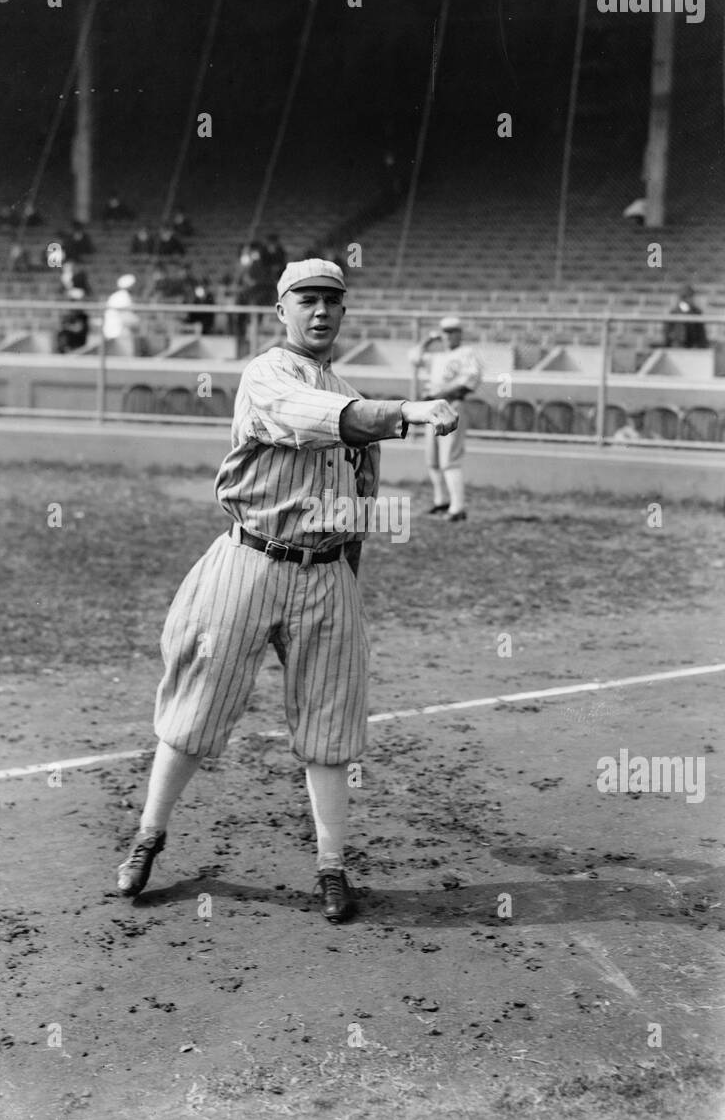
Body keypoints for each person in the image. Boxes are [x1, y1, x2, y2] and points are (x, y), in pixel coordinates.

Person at [116, 259, 459, 920]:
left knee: (330, 723)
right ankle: (147, 836)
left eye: (332, 299)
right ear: (281, 310)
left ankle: (331, 865)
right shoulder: (266, 375)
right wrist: (409, 410)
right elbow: (314, 419)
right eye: (307, 299)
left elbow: (360, 500)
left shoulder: (351, 396)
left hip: (326, 572)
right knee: (196, 707)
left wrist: (348, 584)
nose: (321, 310)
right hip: (249, 559)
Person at [409, 316, 482, 522]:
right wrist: (428, 340)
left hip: (453, 404)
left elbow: (470, 380)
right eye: (445, 332)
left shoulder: (467, 353)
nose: (448, 336)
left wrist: (441, 390)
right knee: (432, 459)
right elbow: (414, 357)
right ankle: (441, 501)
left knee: (450, 459)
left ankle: (458, 508)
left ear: (460, 333)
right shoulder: (437, 356)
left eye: (452, 331)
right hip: (434, 408)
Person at [102, 274, 140, 356]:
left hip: (110, 332)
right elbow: (127, 319)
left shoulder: (115, 296)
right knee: (125, 362)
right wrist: (138, 322)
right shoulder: (124, 297)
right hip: (120, 333)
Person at [56, 288, 90, 353]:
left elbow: (78, 329)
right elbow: (59, 327)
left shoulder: (82, 316)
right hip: (66, 348)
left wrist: (67, 327)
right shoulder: (67, 315)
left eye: (73, 301)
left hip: (77, 346)